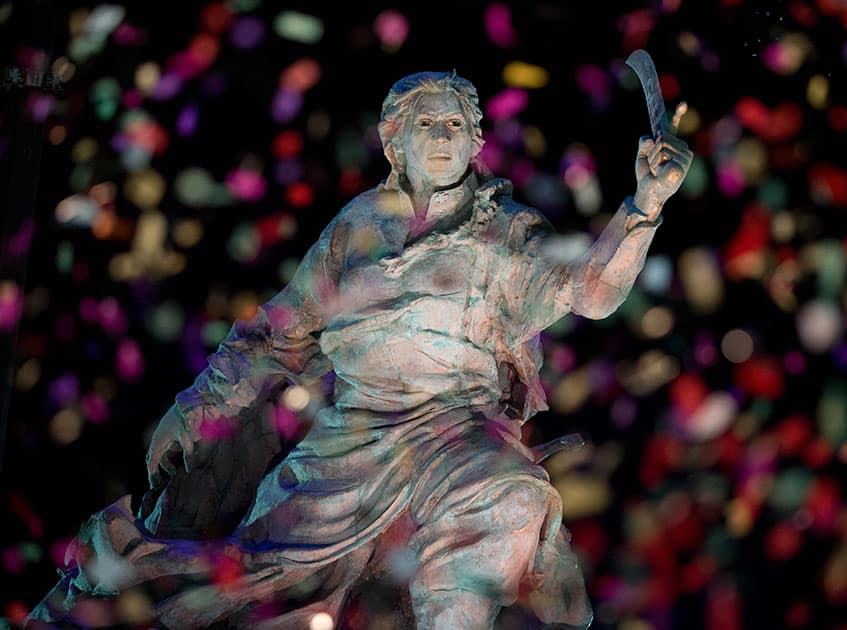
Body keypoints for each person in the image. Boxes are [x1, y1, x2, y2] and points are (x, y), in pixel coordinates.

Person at [28, 70, 692, 629]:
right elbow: (277, 335)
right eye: (425, 123)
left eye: (455, 124)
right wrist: (198, 405)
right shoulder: (355, 231)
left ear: (478, 141)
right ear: (392, 142)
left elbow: (590, 290)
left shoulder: (507, 232)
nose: (440, 135)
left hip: (456, 429)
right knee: (248, 588)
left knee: (509, 496)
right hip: (350, 444)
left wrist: (643, 207)